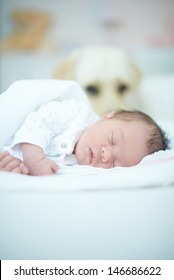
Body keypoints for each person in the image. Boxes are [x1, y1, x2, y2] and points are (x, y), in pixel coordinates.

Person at [0, 99, 169, 176]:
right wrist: (33, 159)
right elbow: (41, 120)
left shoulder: (83, 172)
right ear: (106, 116)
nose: (107, 155)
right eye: (112, 139)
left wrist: (18, 166)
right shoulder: (77, 113)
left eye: (115, 164)